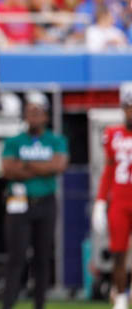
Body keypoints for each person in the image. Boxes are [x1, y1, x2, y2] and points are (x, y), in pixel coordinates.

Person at [1, 91, 69, 309]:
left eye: (37, 112)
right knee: (16, 257)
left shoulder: (56, 140)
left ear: (46, 116)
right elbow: (7, 170)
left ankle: (39, 305)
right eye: (29, 112)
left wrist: (26, 165)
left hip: (46, 202)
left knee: (42, 257)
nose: (33, 117)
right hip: (18, 202)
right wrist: (43, 168)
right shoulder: (14, 141)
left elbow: (58, 166)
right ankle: (8, 304)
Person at [91, 82, 132, 309]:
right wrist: (99, 201)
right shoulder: (113, 133)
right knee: (118, 252)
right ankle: (121, 296)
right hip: (120, 201)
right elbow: (108, 169)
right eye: (129, 107)